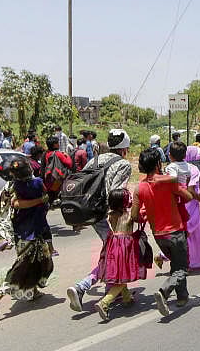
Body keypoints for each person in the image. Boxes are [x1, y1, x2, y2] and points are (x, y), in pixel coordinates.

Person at [66, 129, 132, 313]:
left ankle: (113, 288)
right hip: (108, 214)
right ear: (124, 148)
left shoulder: (93, 160)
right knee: (114, 253)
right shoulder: (123, 165)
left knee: (110, 251)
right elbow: (116, 193)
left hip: (90, 212)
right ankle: (82, 286)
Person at [0, 156, 54, 323]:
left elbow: (13, 205)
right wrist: (39, 200)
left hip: (21, 231)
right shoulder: (36, 183)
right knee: (22, 267)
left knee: (34, 262)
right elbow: (23, 203)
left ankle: (33, 290)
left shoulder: (14, 186)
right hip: (32, 232)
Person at [131, 148, 193, 316]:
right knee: (182, 268)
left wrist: (149, 212)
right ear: (158, 163)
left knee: (176, 263)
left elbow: (135, 215)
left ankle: (182, 296)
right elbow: (188, 196)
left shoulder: (139, 188)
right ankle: (164, 292)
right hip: (175, 231)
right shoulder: (168, 181)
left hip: (158, 235)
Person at [93, 189, 147, 321]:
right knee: (125, 275)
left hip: (113, 244)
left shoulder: (111, 215)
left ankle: (127, 298)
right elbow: (139, 217)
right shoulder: (128, 215)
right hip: (125, 246)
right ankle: (105, 302)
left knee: (121, 273)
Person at [164, 142, 200, 269]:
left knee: (183, 233)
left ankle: (172, 257)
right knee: (191, 234)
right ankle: (185, 261)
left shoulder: (170, 168)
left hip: (176, 204)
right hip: (189, 205)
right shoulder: (193, 169)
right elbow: (191, 191)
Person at [41, 136, 73, 205]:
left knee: (51, 196)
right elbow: (69, 164)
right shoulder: (58, 154)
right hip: (57, 179)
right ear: (54, 144)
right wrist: (67, 155)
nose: (58, 144)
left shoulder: (45, 154)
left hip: (48, 179)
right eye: (57, 143)